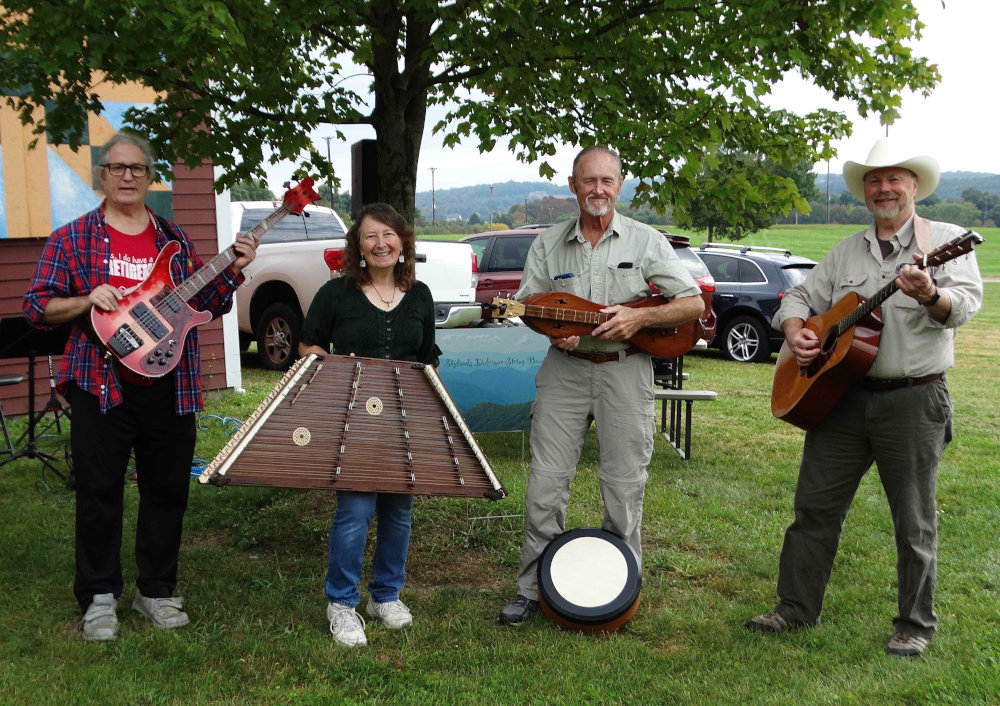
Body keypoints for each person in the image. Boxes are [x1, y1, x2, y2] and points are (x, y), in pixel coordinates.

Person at [745, 139, 983, 657]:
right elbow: (801, 296)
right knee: (814, 508)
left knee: (914, 518)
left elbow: (963, 307)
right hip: (842, 398)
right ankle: (794, 608)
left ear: (914, 186)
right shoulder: (847, 250)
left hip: (913, 400)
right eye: (875, 180)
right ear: (866, 192)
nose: (884, 188)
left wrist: (929, 294)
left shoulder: (944, 242)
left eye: (895, 178)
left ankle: (915, 624)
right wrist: (794, 329)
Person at [23, 132, 257, 641]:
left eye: (137, 169)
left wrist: (234, 268)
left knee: (167, 491)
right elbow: (37, 307)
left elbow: (205, 303)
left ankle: (155, 590)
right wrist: (87, 299)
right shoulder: (73, 238)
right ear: (100, 176)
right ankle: (99, 596)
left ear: (151, 178)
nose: (127, 176)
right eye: (117, 168)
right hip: (98, 383)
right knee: (99, 490)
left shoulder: (172, 238)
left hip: (171, 385)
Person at [497, 146, 705, 625]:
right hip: (564, 372)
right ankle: (532, 587)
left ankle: (621, 586)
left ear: (619, 184)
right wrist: (555, 332)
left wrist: (639, 317)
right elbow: (530, 307)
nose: (598, 190)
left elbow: (691, 304)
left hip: (626, 371)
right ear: (573, 186)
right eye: (588, 181)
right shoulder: (549, 243)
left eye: (607, 181)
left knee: (624, 482)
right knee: (546, 483)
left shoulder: (646, 240)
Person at [298, 202, 440, 648]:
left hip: (405, 419)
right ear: (357, 246)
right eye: (370, 236)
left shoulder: (420, 295)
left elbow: (429, 355)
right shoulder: (335, 293)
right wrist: (334, 364)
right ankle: (341, 604)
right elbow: (307, 347)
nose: (381, 244)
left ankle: (385, 595)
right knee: (356, 511)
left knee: (398, 512)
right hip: (353, 417)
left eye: (388, 235)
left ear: (402, 241)